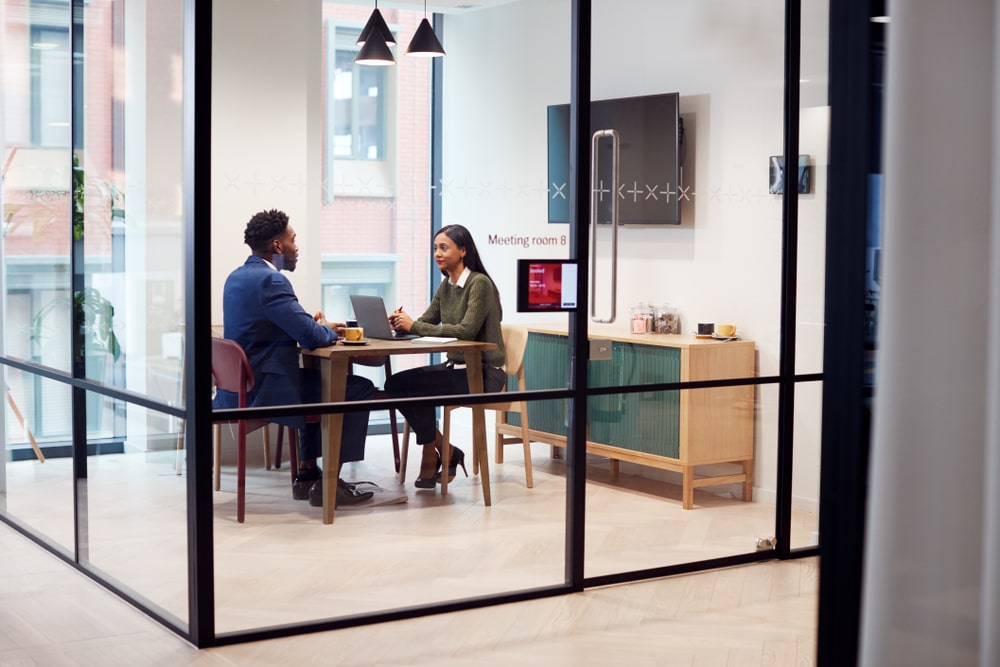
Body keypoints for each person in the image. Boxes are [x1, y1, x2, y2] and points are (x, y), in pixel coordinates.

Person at [214, 209, 375, 506]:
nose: (296, 247)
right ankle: (329, 484)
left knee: (318, 382)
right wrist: (325, 329)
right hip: (266, 391)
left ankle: (307, 475)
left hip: (239, 389)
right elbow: (311, 337)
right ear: (277, 246)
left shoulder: (236, 277)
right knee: (356, 389)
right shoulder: (271, 281)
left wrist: (312, 325)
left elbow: (281, 323)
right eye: (293, 240)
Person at [385, 224, 506, 489]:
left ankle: (431, 454)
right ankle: (444, 448)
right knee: (394, 385)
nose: (437, 253)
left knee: (417, 387)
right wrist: (400, 324)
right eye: (435, 248)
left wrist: (414, 325)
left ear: (463, 251)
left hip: (484, 374)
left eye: (444, 247)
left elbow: (466, 331)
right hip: (456, 367)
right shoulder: (446, 285)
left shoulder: (479, 283)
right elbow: (426, 321)